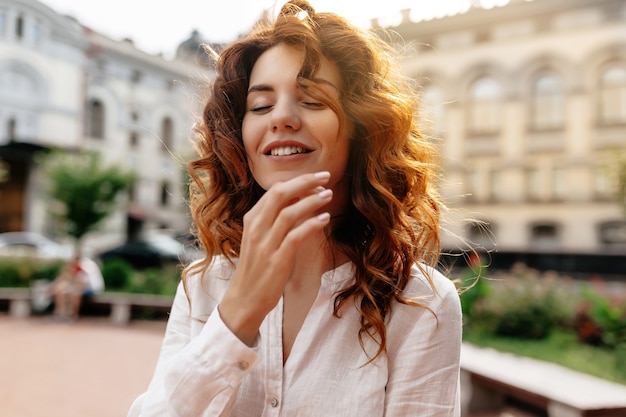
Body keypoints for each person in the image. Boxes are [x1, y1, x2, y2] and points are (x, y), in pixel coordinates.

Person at [128, 1, 462, 416]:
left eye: (313, 100)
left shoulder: (421, 303)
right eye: (261, 106)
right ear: (241, 136)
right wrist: (238, 314)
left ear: (364, 129)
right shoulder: (203, 288)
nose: (281, 117)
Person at [49, 254, 104, 321]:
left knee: (75, 293)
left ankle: (73, 315)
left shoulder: (86, 265)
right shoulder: (75, 267)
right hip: (81, 287)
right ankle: (61, 314)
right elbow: (64, 279)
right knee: (61, 290)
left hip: (93, 289)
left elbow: (85, 283)